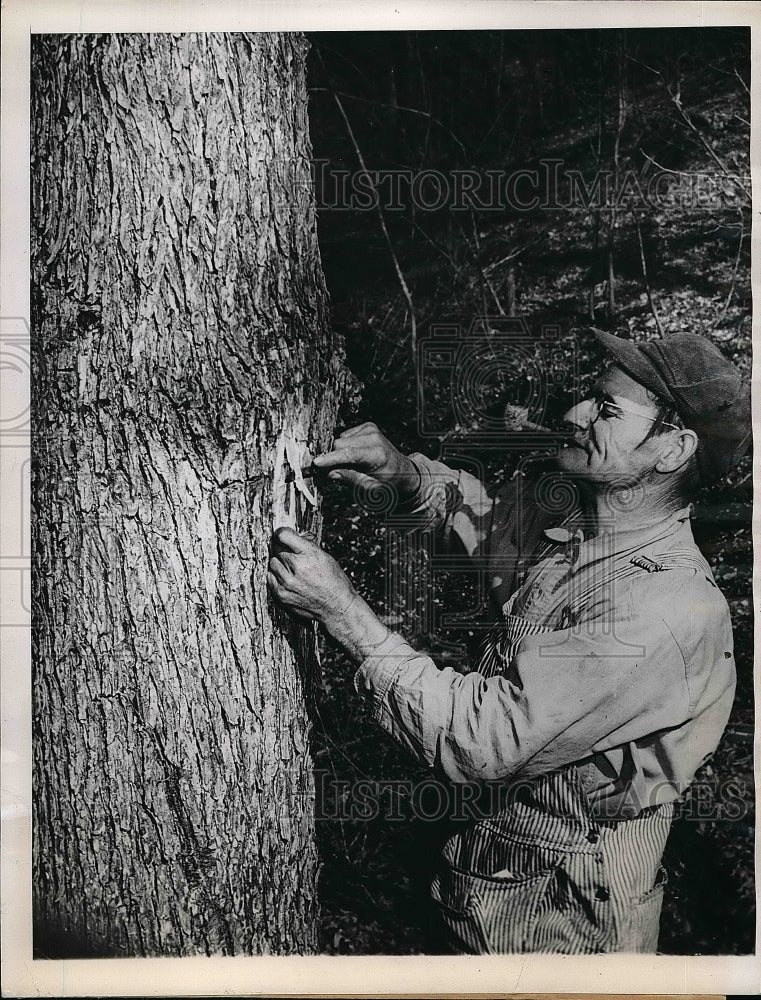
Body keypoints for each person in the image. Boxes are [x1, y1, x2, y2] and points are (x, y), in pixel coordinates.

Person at [267, 329, 751, 954]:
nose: (575, 415)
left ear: (671, 451)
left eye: (606, 410)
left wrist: (344, 614)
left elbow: (482, 737)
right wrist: (404, 476)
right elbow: (488, 520)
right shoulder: (581, 522)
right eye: (590, 396)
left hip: (568, 918)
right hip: (491, 876)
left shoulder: (661, 608)